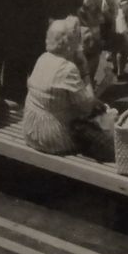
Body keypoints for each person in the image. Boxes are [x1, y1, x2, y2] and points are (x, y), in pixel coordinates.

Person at [22, 17, 104, 156]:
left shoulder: (43, 58)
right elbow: (87, 106)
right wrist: (85, 71)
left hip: (31, 129)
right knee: (99, 125)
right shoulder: (67, 69)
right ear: (68, 43)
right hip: (51, 138)